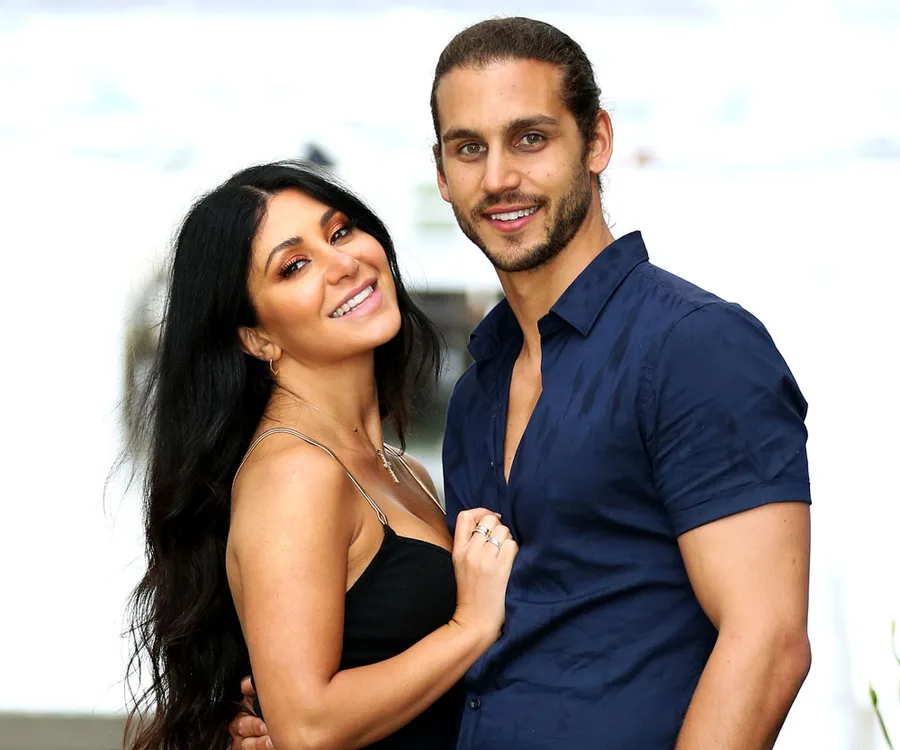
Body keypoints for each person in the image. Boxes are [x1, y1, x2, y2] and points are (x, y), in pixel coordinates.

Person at [231, 15, 812, 750]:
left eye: (530, 139)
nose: (499, 177)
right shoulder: (479, 392)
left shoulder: (695, 346)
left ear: (597, 142)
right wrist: (303, 726)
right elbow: (495, 647)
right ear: (442, 174)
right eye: (469, 148)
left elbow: (768, 643)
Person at [124, 161, 519, 750]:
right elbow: (307, 726)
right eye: (294, 266)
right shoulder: (294, 473)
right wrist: (471, 627)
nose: (342, 263)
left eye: (339, 232)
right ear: (256, 336)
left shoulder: (402, 469)